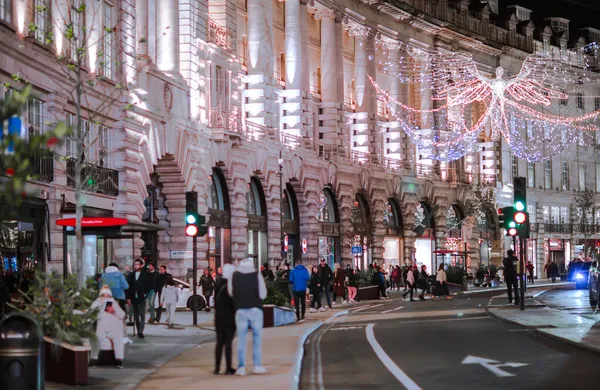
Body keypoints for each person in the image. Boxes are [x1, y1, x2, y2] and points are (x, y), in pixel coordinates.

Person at [228, 258, 267, 376]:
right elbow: (263, 294)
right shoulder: (257, 275)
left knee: (241, 339)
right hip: (256, 309)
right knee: (257, 338)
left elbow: (231, 292)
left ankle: (241, 367)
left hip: (240, 309)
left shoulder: (233, 275)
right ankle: (257, 365)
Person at [91, 285, 126, 368]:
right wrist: (100, 308)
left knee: (119, 341)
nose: (106, 296)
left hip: (114, 329)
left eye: (107, 295)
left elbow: (122, 315)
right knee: (95, 341)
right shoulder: (97, 303)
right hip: (102, 329)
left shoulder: (114, 303)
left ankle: (119, 361)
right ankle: (93, 361)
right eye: (104, 295)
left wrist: (113, 311)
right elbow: (92, 314)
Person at [214, 264, 236, 375]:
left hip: (218, 316)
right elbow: (234, 304)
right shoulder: (231, 286)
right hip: (229, 317)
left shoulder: (218, 283)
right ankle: (228, 367)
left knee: (219, 343)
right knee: (228, 343)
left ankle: (217, 368)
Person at [126, 258, 148, 338]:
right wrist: (128, 298)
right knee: (136, 315)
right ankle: (138, 329)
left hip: (142, 297)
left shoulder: (145, 274)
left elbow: (148, 285)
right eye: (135, 264)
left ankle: (140, 331)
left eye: (138, 264)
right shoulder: (131, 275)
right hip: (133, 297)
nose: (136, 266)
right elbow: (128, 286)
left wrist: (145, 294)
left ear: (141, 265)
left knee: (142, 315)